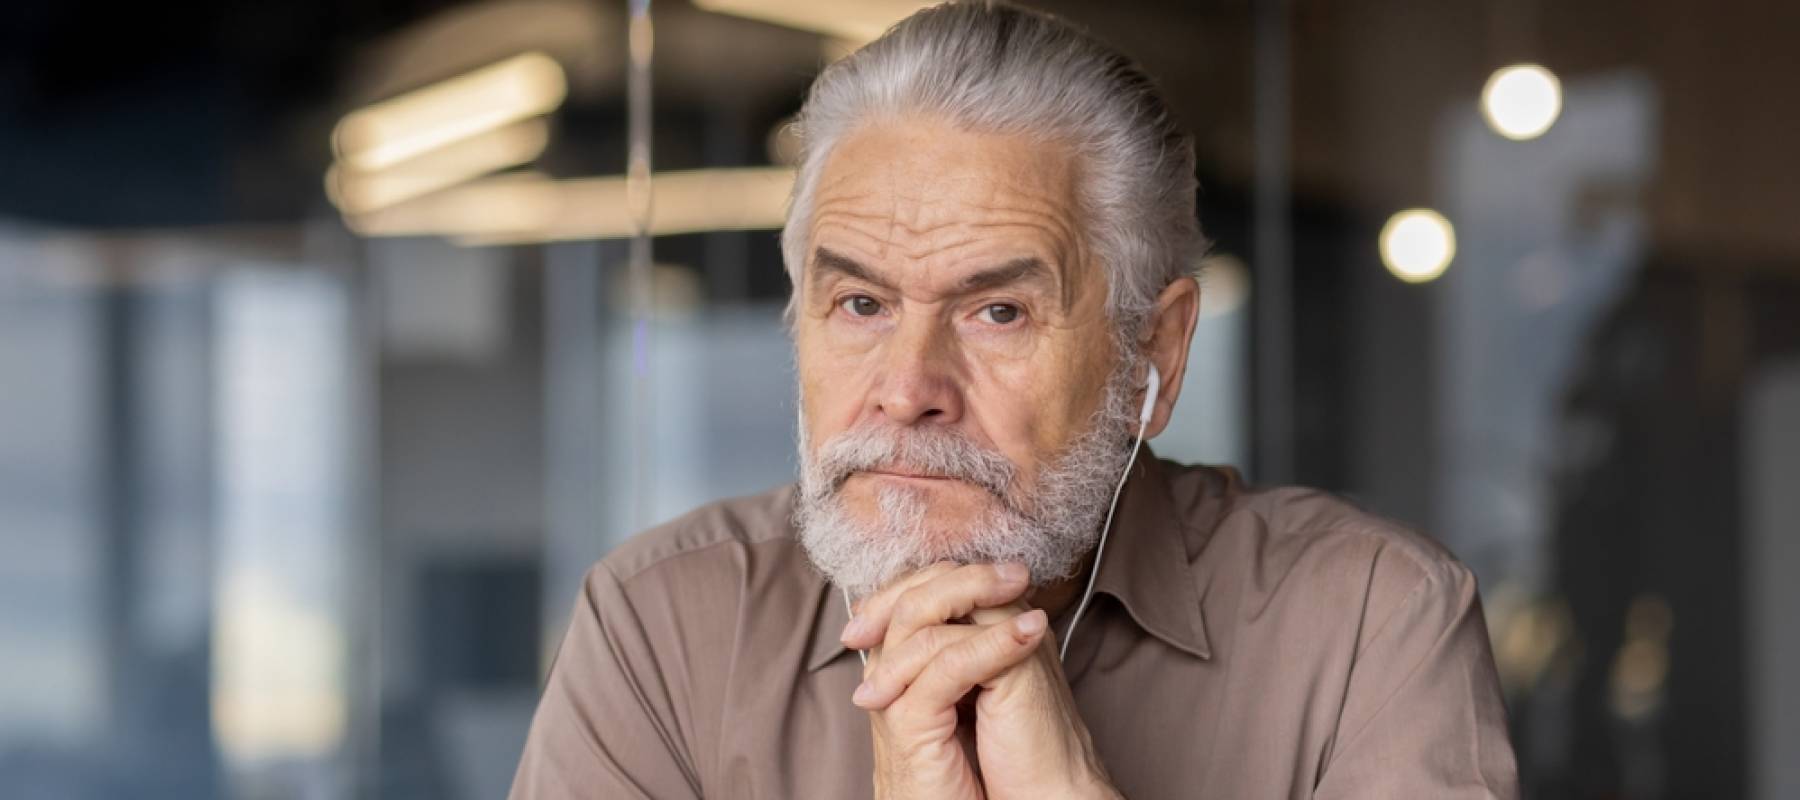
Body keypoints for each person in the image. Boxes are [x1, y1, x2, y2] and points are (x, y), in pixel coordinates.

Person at [509, 2, 1518, 797]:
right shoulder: (662, 628)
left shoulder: (1368, 626)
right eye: (860, 302)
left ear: (1150, 355)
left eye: (997, 312)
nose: (907, 390)